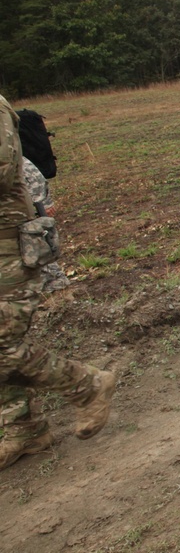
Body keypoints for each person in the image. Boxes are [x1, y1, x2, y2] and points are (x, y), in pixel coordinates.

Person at [0, 95, 116, 471]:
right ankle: (23, 428)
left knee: (1, 345)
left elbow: (3, 168)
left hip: (5, 244)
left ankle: (87, 384)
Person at [21, 158, 71, 293]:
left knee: (36, 243)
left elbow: (27, 170)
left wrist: (43, 202)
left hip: (26, 213)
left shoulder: (9, 152)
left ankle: (55, 284)